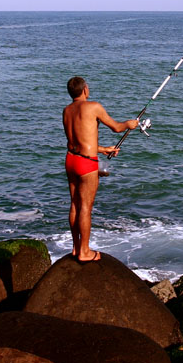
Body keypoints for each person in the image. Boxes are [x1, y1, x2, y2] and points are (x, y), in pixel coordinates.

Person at [63, 76, 138, 262]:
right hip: (86, 164)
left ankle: (75, 248)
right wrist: (129, 124)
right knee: (86, 208)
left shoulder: (67, 111)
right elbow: (116, 128)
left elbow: (77, 141)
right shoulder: (93, 106)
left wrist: (104, 150)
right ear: (85, 90)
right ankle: (85, 252)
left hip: (71, 160)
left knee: (75, 204)